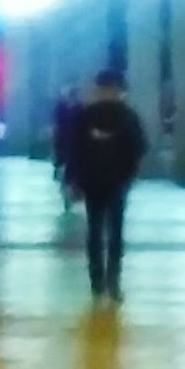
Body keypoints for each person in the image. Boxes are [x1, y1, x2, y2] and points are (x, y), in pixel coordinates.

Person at [69, 68, 146, 305]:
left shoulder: (86, 116)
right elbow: (139, 146)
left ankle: (102, 283)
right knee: (110, 233)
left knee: (99, 232)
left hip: (101, 181)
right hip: (113, 182)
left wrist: (76, 178)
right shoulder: (127, 116)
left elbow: (75, 149)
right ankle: (109, 283)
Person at [51, 86, 82, 212]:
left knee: (70, 172)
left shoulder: (78, 109)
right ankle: (69, 194)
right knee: (65, 171)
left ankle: (71, 194)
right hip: (64, 144)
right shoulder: (61, 108)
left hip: (74, 145)